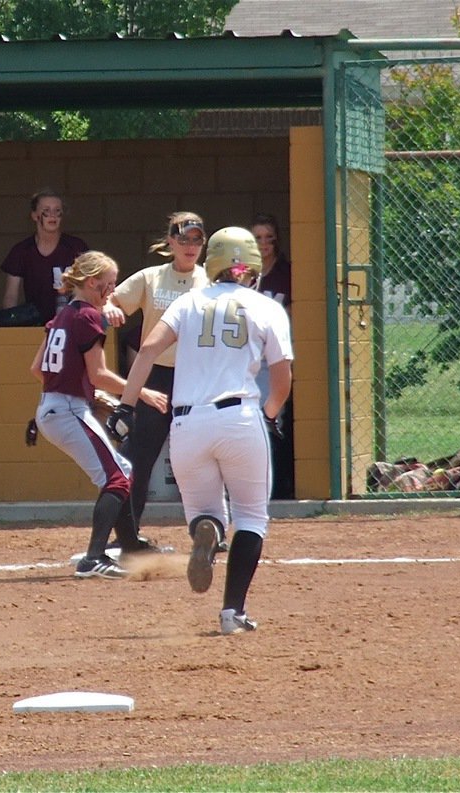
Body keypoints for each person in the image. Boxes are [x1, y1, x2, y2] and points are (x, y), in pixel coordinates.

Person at [114, 227, 293, 635]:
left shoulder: (188, 301)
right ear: (250, 266)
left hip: (187, 421)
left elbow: (146, 350)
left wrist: (126, 404)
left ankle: (206, 531)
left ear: (211, 263)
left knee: (203, 512)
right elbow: (282, 378)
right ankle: (232, 613)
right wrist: (270, 414)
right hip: (240, 416)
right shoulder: (265, 307)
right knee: (250, 517)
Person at [30, 250, 170, 579]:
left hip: (55, 405)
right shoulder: (87, 317)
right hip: (65, 409)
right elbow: (99, 374)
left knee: (121, 470)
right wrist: (141, 392)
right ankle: (93, 557)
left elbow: (38, 369)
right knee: (116, 479)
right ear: (92, 282)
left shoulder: (63, 315)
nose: (113, 289)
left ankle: (130, 543)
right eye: (109, 283)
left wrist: (86, 395)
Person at [101, 211, 210, 544]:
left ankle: (210, 528)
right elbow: (110, 298)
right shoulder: (151, 278)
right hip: (157, 377)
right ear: (171, 242)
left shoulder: (209, 281)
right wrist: (109, 307)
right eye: (184, 239)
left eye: (198, 240)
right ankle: (126, 533)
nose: (191, 246)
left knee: (202, 455)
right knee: (140, 455)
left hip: (196, 377)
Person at [251, 212, 295, 499]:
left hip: (274, 357)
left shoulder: (286, 273)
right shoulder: (242, 274)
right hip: (246, 357)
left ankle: (276, 491)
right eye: (257, 238)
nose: (264, 244)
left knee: (271, 419)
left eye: (269, 238)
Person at [1, 188, 89, 324]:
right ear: (35, 215)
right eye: (46, 211)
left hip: (72, 324)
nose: (52, 215)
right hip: (33, 325)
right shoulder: (21, 250)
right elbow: (11, 297)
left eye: (57, 210)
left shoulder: (77, 247)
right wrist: (11, 323)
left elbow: (90, 287)